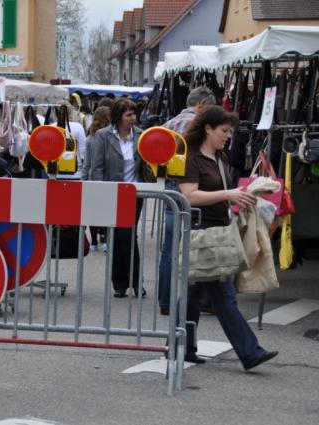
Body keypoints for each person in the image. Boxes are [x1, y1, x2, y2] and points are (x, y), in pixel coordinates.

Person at [179, 105, 278, 369]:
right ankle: (250, 352)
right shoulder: (191, 158)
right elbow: (189, 196)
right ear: (207, 129)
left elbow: (220, 193)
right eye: (224, 130)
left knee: (193, 295)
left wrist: (240, 197)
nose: (228, 136)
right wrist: (229, 194)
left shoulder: (220, 157)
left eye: (229, 131)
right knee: (223, 297)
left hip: (217, 232)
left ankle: (180, 347)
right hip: (201, 233)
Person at [158, 87, 217, 315]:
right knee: (199, 244)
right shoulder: (200, 127)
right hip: (194, 186)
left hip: (170, 187)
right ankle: (200, 299)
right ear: (202, 104)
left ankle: (165, 301)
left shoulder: (168, 125)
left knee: (170, 247)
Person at [87, 98, 149, 298]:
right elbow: (97, 167)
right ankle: (120, 282)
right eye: (128, 115)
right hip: (111, 193)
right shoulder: (103, 136)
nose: (133, 118)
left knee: (128, 235)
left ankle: (135, 281)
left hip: (134, 193)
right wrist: (99, 192)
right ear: (118, 116)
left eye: (134, 114)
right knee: (115, 236)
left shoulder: (141, 135)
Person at [81, 106, 111, 251]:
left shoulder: (90, 138)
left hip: (92, 179)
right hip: (108, 180)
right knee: (106, 210)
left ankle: (93, 242)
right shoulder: (111, 137)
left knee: (92, 211)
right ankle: (105, 239)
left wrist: (83, 180)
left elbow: (86, 163)